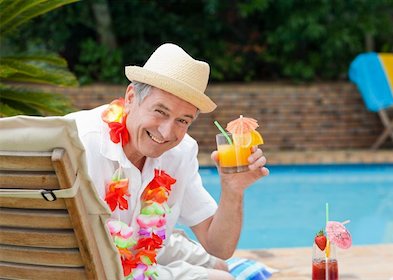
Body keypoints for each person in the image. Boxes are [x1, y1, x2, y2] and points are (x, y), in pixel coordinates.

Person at [65, 43, 269, 279]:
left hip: (149, 248)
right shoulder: (80, 141)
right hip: (91, 270)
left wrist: (233, 190)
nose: (166, 132)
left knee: (220, 265)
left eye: (182, 121)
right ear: (131, 97)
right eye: (160, 111)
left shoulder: (181, 151)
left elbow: (220, 247)